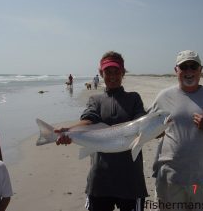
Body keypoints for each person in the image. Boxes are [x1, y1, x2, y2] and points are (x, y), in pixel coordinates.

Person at [56, 51, 148, 211]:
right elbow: (88, 120)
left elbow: (143, 123)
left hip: (131, 180)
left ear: (123, 72)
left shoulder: (134, 98)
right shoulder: (95, 100)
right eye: (108, 72)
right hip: (100, 180)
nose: (112, 76)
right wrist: (69, 130)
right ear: (101, 73)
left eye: (116, 72)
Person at [147, 50, 203, 211]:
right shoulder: (163, 97)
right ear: (176, 70)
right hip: (170, 178)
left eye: (193, 66)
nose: (189, 71)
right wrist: (157, 131)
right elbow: (149, 129)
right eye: (184, 67)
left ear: (200, 70)